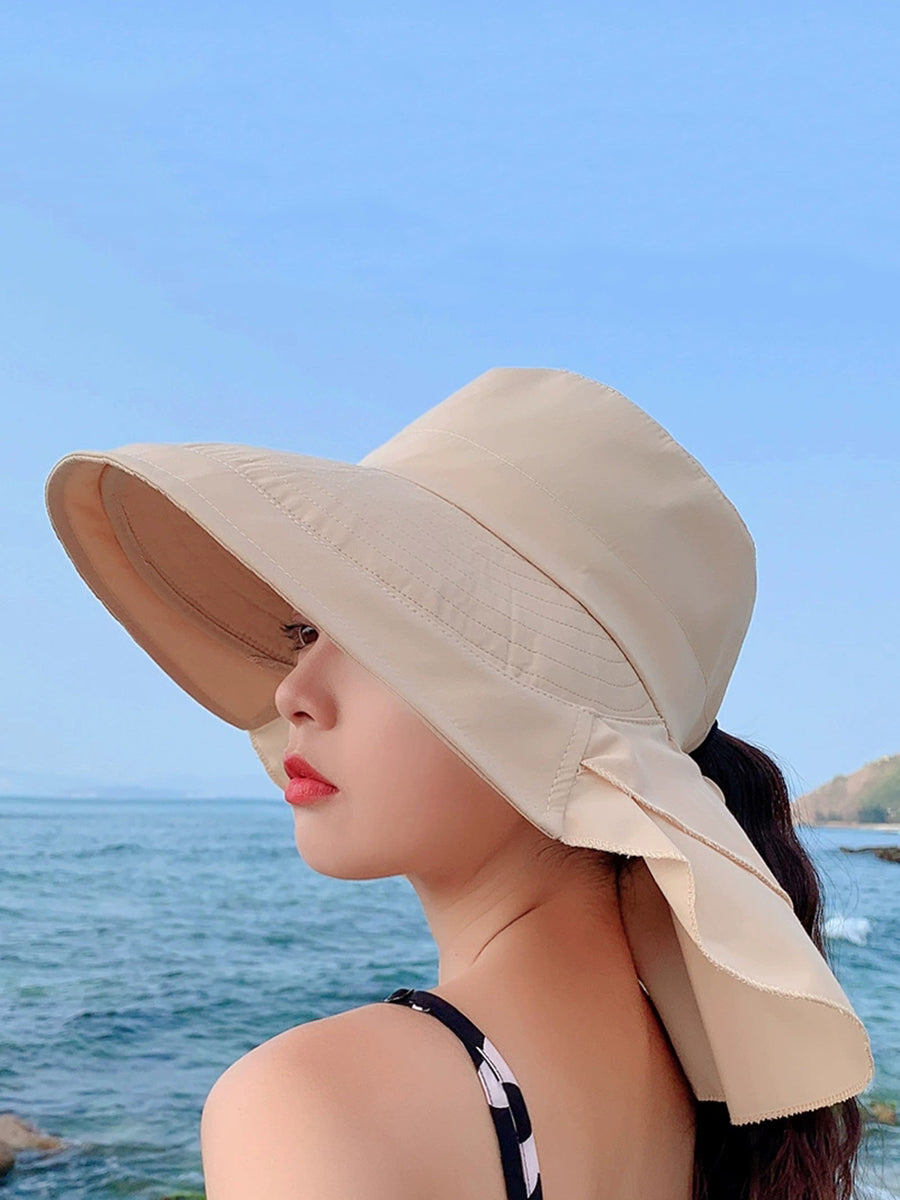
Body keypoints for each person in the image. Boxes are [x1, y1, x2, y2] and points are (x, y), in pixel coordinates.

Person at [45, 367, 873, 1200]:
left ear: (540, 708)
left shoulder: (314, 1105)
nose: (293, 691)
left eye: (379, 632)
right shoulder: (708, 1089)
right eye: (304, 632)